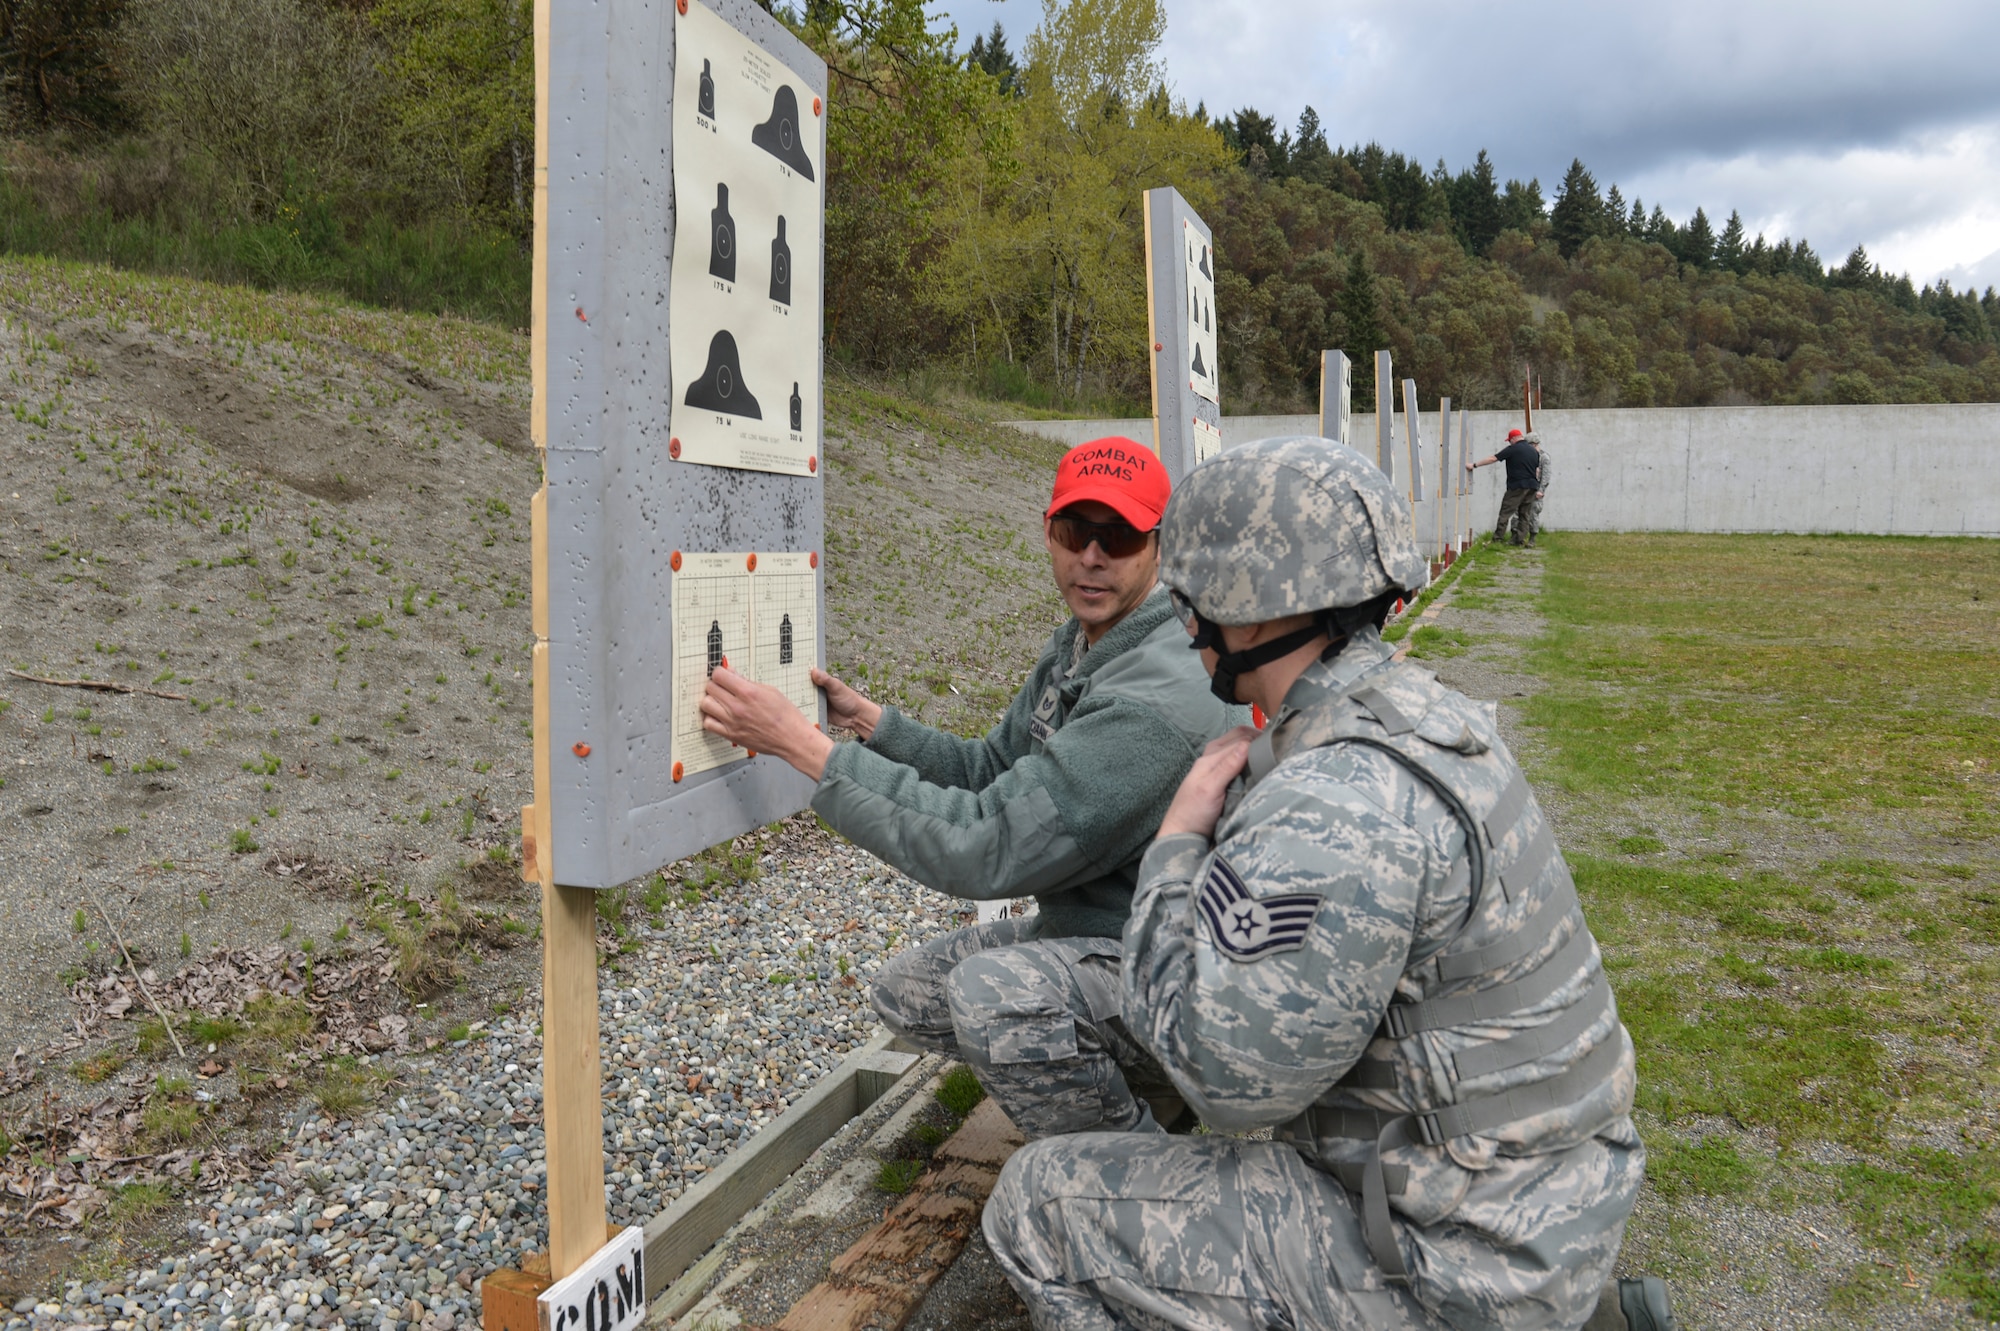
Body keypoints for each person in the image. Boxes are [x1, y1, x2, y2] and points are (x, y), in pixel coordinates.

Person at [983, 436, 1673, 1331]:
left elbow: (1223, 1083)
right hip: (1551, 1199)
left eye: (1194, 597)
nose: (1185, 618)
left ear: (1236, 606)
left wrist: (1179, 841)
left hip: (1459, 1264)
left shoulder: (1332, 801)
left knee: (1038, 1202)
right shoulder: (1429, 715)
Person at [698, 437, 1245, 1138]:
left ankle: (1136, 1174)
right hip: (1105, 933)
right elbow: (992, 773)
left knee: (994, 1001)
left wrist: (804, 748)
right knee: (913, 992)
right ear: (1049, 533)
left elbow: (985, 844)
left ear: (1160, 546)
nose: (1093, 556)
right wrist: (873, 724)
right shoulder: (1091, 643)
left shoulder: (1154, 700)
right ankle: (1135, 1090)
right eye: (1077, 532)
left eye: (1121, 536)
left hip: (1177, 972)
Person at [1468, 426, 1542, 546]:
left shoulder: (1512, 449)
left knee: (1505, 512)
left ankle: (1497, 539)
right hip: (1532, 486)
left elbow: (1493, 459)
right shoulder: (1534, 451)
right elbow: (1537, 471)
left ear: (1514, 439)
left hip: (1517, 486)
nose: (1509, 442)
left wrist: (1474, 465)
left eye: (1509, 440)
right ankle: (1519, 540)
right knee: (1524, 514)